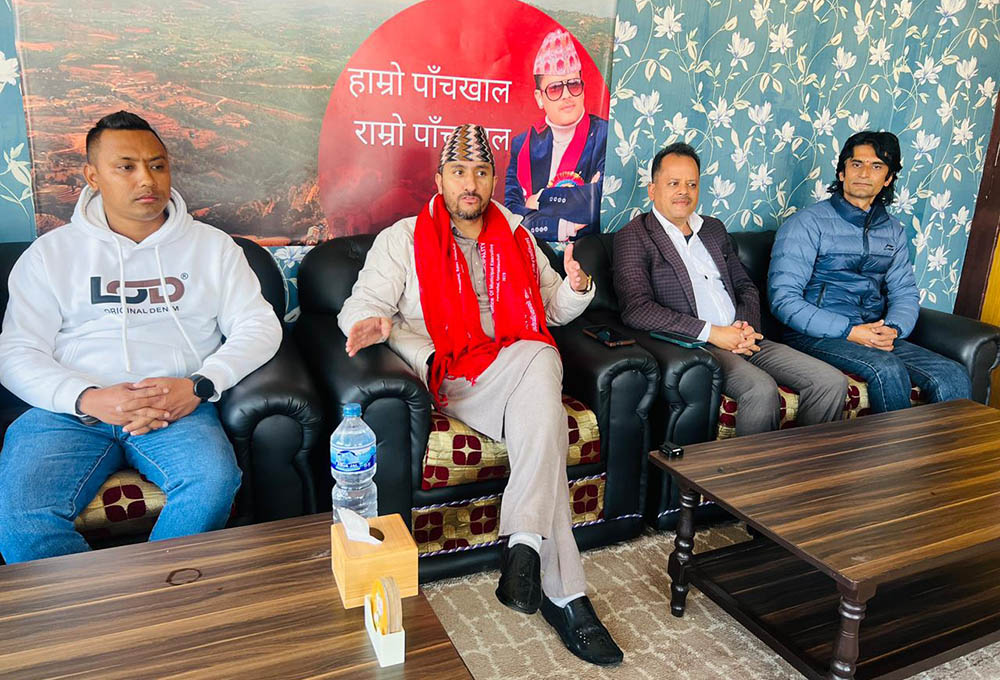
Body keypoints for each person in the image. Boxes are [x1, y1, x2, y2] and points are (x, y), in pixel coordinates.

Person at [339, 124, 622, 666]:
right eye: (459, 172)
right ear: (440, 179)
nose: (470, 183)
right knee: (542, 360)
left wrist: (576, 287)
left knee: (541, 381)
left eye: (482, 172)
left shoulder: (516, 234)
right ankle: (552, 578)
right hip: (454, 374)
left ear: (494, 180)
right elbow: (363, 301)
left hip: (517, 368)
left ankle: (537, 564)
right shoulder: (403, 239)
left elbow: (551, 309)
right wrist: (370, 323)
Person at [0, 111, 282, 563]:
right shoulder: (50, 254)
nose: (146, 179)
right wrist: (87, 398)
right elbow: (16, 351)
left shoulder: (212, 248)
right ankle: (94, 608)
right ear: (93, 176)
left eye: (157, 165)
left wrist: (200, 385)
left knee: (211, 484)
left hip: (174, 406)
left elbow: (259, 326)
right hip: (70, 411)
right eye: (126, 167)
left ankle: (155, 597)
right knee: (21, 519)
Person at [614, 143, 848, 436]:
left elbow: (744, 285)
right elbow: (637, 309)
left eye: (692, 184)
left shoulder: (712, 229)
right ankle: (757, 468)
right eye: (673, 183)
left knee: (830, 381)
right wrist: (713, 333)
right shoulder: (634, 236)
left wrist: (744, 328)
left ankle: (803, 465)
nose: (684, 191)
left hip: (744, 335)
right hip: (700, 347)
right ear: (652, 190)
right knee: (760, 389)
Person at [768, 131, 971, 412]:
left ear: (888, 178)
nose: (864, 173)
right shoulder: (806, 223)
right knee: (887, 369)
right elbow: (783, 300)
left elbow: (904, 292)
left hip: (873, 332)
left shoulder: (893, 230)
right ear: (842, 172)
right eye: (856, 164)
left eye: (876, 166)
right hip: (814, 333)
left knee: (952, 373)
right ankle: (895, 444)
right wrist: (850, 331)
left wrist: (893, 329)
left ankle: (945, 444)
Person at [504, 28, 608, 243]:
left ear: (583, 89)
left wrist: (541, 199)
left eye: (574, 85)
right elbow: (512, 214)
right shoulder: (523, 145)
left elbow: (598, 202)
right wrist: (561, 226)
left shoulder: (604, 136)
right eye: (555, 89)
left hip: (586, 252)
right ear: (539, 98)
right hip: (533, 249)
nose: (567, 95)